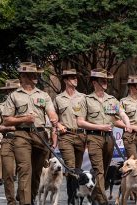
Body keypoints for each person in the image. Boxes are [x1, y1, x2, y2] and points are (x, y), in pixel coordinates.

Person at [2, 62, 60, 205]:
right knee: (25, 170)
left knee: (36, 173)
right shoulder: (14, 96)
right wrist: (24, 119)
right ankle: (25, 202)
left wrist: (54, 119)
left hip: (40, 136)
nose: (36, 76)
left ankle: (31, 197)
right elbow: (6, 120)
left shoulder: (44, 95)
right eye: (32, 74)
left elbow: (51, 112)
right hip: (21, 135)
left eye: (36, 74)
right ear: (23, 76)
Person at [76, 68, 132, 205]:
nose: (105, 82)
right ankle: (102, 200)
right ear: (94, 82)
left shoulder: (112, 100)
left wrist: (127, 124)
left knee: (105, 170)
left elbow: (122, 114)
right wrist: (99, 127)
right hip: (94, 138)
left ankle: (95, 195)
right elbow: (80, 122)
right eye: (102, 80)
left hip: (109, 139)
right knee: (98, 170)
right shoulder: (86, 100)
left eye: (106, 80)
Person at [53, 69, 86, 200]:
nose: (75, 80)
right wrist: (58, 125)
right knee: (70, 167)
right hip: (65, 136)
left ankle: (75, 194)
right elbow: (53, 117)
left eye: (76, 77)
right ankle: (71, 198)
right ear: (66, 80)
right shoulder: (58, 98)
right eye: (72, 78)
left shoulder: (83, 97)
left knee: (77, 169)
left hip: (80, 136)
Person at [0, 79, 20, 204]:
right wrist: (9, 128)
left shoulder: (26, 106)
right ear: (6, 92)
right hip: (8, 139)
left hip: (27, 140)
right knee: (8, 173)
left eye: (15, 90)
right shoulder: (0, 107)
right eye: (10, 90)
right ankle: (11, 201)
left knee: (26, 172)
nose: (12, 93)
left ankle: (22, 194)